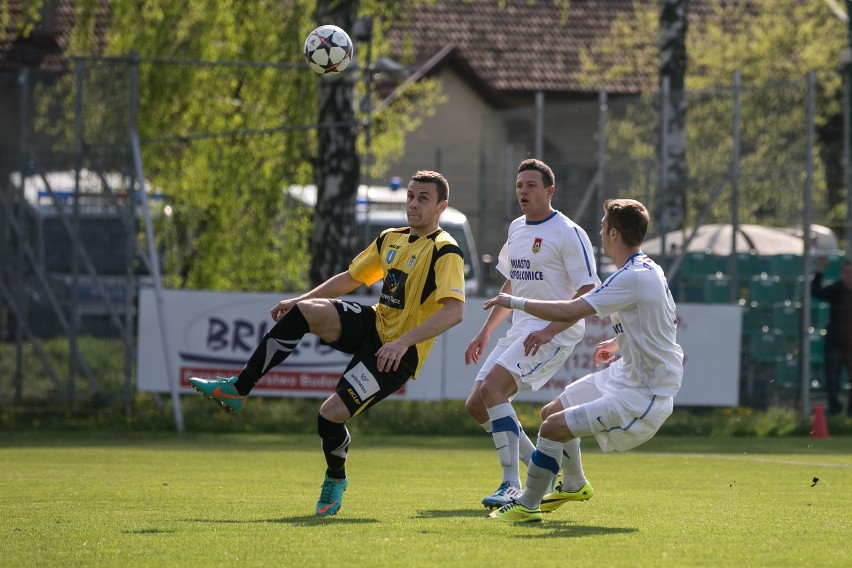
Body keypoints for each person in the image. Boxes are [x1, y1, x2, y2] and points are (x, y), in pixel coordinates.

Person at [189, 171, 465, 516]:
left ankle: (336, 479)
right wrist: (298, 299)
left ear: (442, 206)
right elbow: (351, 278)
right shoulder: (390, 238)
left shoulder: (445, 250)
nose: (413, 204)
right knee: (304, 313)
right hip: (372, 324)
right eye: (410, 196)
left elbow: (454, 312)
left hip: (397, 355)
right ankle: (238, 389)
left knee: (329, 417)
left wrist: (404, 342)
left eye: (423, 198)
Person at [483, 198, 684, 522]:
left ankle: (527, 504)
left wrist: (515, 301)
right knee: (552, 412)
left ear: (615, 234)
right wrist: (620, 342)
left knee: (551, 429)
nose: (600, 233)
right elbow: (661, 320)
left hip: (645, 393)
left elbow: (569, 311)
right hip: (622, 374)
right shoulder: (646, 270)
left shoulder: (632, 277)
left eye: (604, 227)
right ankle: (574, 483)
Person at [463, 158, 599, 510]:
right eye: (519, 185)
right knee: (476, 404)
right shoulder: (517, 228)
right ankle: (542, 465)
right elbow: (513, 284)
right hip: (522, 328)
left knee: (493, 389)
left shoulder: (569, 232)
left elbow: (588, 288)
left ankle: (512, 484)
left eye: (531, 185)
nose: (523, 191)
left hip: (555, 332)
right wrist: (485, 332)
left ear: (550, 190)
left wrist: (552, 328)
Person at [811, 257, 852, 416]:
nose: (849, 275)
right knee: (832, 379)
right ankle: (835, 410)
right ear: (842, 273)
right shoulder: (835, 289)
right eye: (846, 272)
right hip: (835, 342)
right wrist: (820, 272)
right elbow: (815, 291)